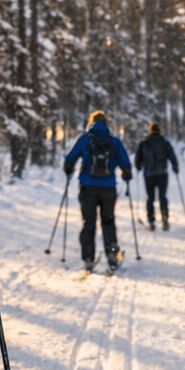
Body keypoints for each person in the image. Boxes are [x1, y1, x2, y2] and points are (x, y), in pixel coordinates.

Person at [63, 111, 133, 270]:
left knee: (89, 222)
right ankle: (112, 255)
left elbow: (70, 159)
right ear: (106, 123)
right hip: (108, 188)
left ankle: (88, 258)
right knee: (108, 221)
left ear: (91, 122)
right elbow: (125, 163)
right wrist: (126, 173)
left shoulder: (85, 139)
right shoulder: (114, 141)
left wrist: (68, 168)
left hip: (87, 187)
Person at [133, 122, 180, 230]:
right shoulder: (164, 142)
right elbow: (171, 155)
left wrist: (138, 166)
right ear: (159, 131)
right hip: (162, 173)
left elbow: (137, 159)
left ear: (150, 130)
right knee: (162, 197)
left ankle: (151, 221)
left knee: (150, 198)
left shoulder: (144, 142)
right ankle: (164, 218)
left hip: (148, 174)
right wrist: (175, 166)